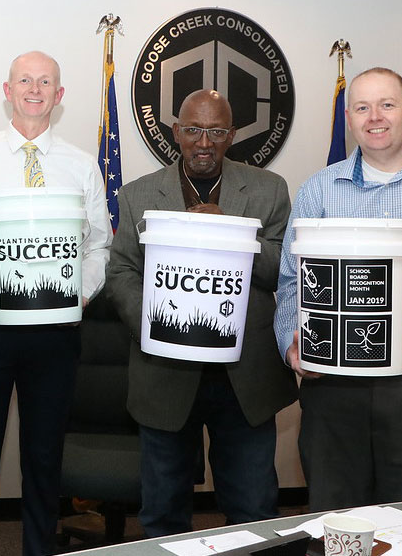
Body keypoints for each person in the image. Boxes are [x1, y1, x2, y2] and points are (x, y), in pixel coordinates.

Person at [104, 89, 297, 537]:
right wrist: (155, 324)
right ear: (176, 132)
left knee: (253, 511)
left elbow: (282, 270)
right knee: (163, 516)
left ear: (231, 136)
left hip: (244, 378)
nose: (203, 142)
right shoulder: (137, 195)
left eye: (215, 131)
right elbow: (121, 273)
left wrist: (228, 232)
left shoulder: (269, 190)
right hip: (165, 373)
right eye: (192, 130)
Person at [275, 67, 402, 511]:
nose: (374, 117)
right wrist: (290, 345)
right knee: (339, 520)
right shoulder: (318, 189)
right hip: (336, 389)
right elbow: (289, 282)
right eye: (362, 107)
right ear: (350, 117)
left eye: (387, 104)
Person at [0, 51, 112, 555]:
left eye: (46, 82)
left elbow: (99, 243)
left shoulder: (83, 166)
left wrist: (80, 296)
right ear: (8, 89)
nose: (35, 89)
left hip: (56, 328)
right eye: (25, 80)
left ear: (59, 96)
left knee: (44, 457)